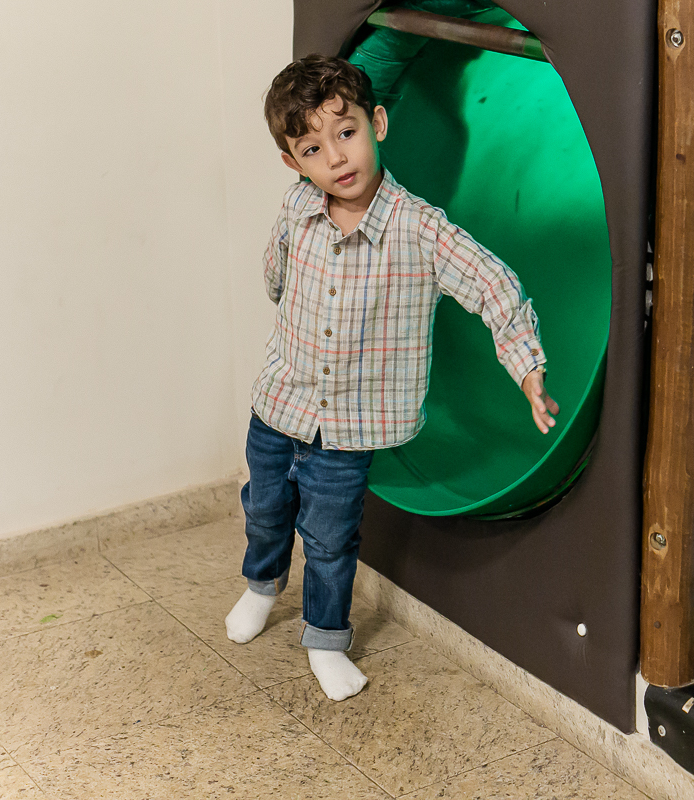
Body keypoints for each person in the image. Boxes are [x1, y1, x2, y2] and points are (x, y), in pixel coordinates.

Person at [224, 55, 559, 701]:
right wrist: (279, 291)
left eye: (346, 133)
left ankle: (325, 638)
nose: (337, 158)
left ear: (377, 123)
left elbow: (496, 289)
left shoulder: (420, 229)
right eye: (313, 148)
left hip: (350, 426)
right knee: (264, 510)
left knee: (328, 538)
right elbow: (276, 270)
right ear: (295, 163)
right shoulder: (298, 208)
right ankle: (261, 585)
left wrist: (528, 369)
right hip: (279, 401)